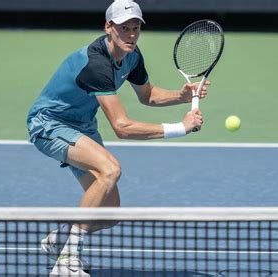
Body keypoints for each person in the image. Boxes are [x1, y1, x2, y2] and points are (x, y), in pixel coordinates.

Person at [26, 0, 209, 275]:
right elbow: (122, 127)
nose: (132, 35)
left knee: (109, 214)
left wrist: (180, 96)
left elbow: (147, 95)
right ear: (108, 28)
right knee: (110, 169)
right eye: (125, 28)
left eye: (135, 28)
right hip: (49, 124)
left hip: (82, 126)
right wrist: (179, 128)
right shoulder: (95, 64)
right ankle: (66, 262)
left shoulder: (132, 55)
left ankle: (61, 238)